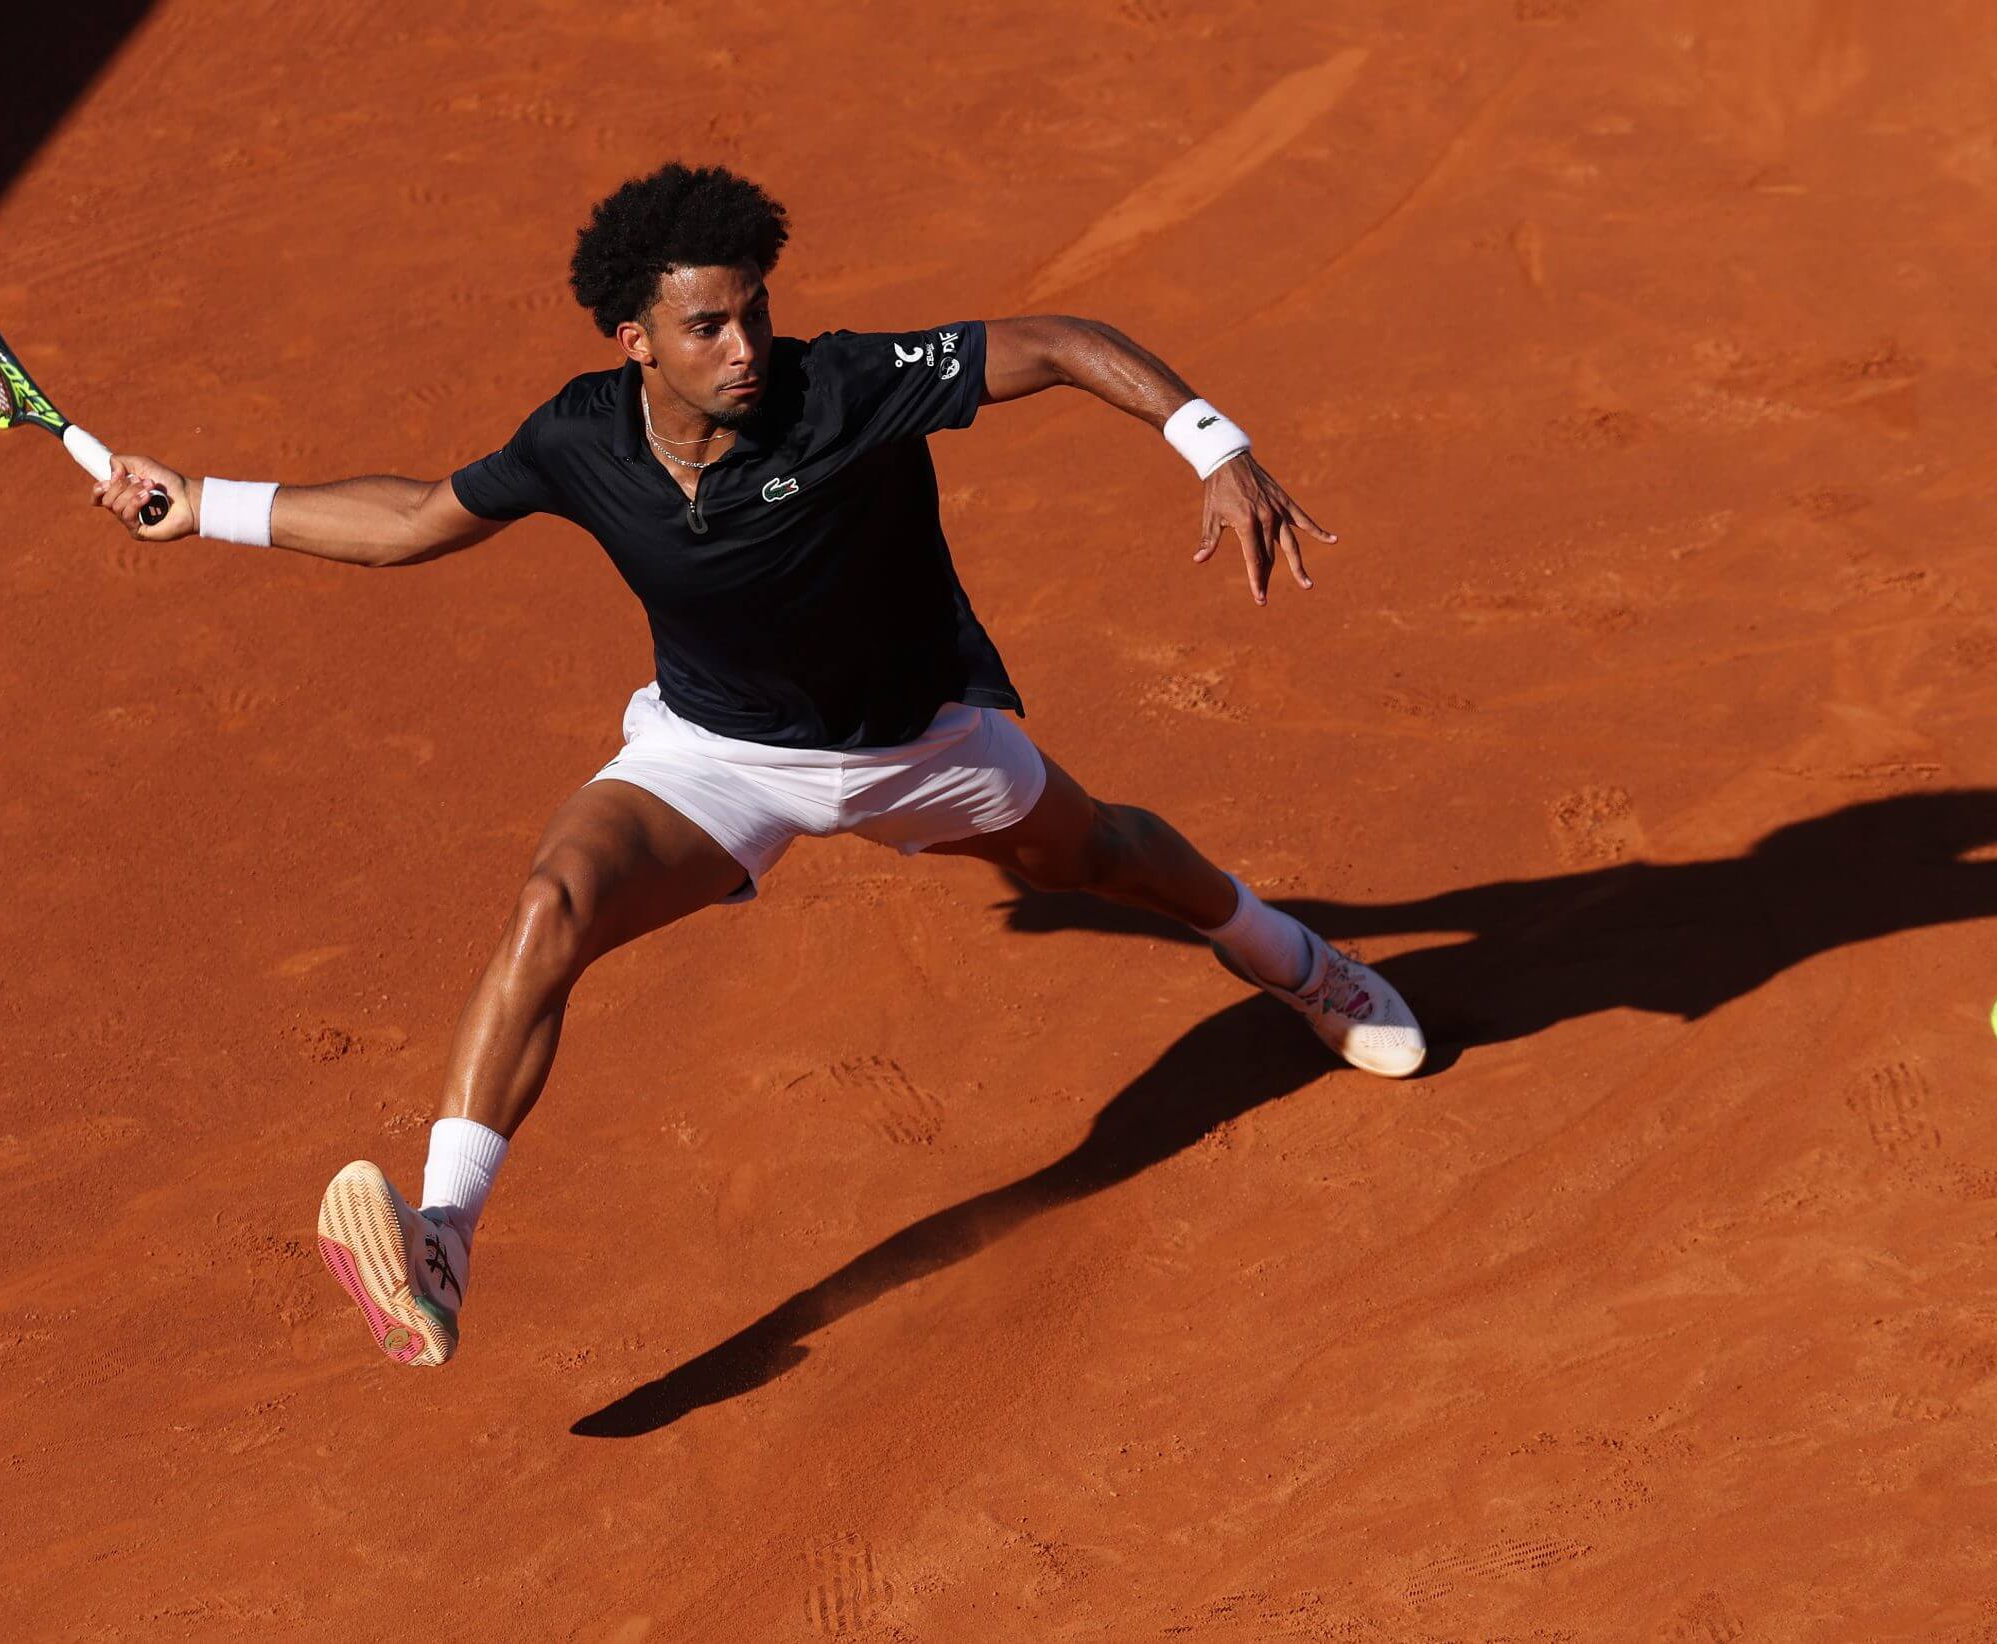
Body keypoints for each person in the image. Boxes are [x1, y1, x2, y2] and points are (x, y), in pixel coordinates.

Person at [93, 162, 1423, 1370]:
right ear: (635, 344)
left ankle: (1295, 961)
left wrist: (1216, 446)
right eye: (708, 327)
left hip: (916, 745)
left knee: (1110, 859)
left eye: (753, 312)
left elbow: (1058, 342)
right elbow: (407, 522)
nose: (747, 347)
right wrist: (204, 503)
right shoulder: (578, 440)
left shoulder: (842, 389)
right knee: (552, 908)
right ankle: (440, 1239)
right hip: (716, 754)